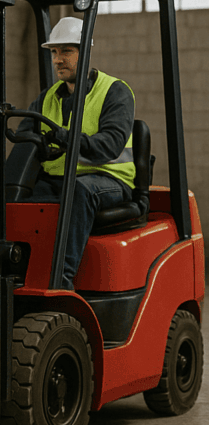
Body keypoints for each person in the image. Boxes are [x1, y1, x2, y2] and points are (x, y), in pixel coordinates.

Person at [19, 16, 136, 291]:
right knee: (19, 195)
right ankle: (19, 273)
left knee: (80, 190)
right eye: (54, 52)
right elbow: (25, 135)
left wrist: (64, 137)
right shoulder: (47, 97)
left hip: (109, 180)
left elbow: (110, 144)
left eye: (66, 51)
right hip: (59, 180)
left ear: (85, 52)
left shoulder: (115, 92)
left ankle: (61, 282)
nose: (58, 60)